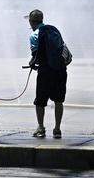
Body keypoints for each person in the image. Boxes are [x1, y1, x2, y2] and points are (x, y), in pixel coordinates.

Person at [26, 9, 67, 139]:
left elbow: (35, 55)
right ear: (42, 19)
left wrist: (32, 63)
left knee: (40, 101)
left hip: (45, 73)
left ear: (32, 22)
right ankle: (57, 129)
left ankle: (41, 127)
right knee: (58, 101)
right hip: (60, 71)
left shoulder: (34, 35)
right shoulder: (53, 31)